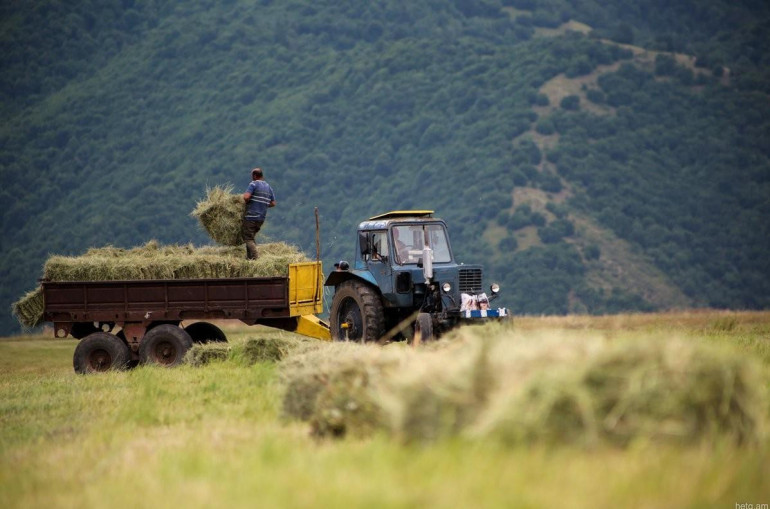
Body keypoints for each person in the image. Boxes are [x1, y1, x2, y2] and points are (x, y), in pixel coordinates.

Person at [241, 167, 276, 260]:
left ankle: (256, 258)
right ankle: (249, 259)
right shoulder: (268, 187)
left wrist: (247, 199)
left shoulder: (253, 184)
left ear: (255, 176)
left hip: (251, 216)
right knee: (251, 238)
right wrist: (262, 204)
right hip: (261, 218)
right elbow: (273, 203)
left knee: (248, 238)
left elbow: (246, 197)